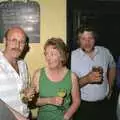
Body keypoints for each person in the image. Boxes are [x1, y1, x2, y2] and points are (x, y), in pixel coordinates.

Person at [71, 25, 116, 120]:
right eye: (83, 38)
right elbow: (70, 86)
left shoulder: (105, 52)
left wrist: (110, 87)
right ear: (78, 40)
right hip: (83, 106)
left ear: (95, 38)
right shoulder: (72, 57)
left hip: (104, 104)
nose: (87, 42)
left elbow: (112, 66)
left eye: (90, 38)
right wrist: (87, 79)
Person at [32, 38, 80, 120]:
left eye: (52, 54)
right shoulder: (39, 74)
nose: (48, 58)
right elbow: (33, 102)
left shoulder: (72, 76)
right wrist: (50, 100)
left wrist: (67, 115)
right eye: (46, 54)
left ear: (62, 56)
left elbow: (77, 101)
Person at [0, 26, 35, 120]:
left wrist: (27, 94)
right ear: (5, 41)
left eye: (22, 42)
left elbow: (23, 96)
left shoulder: (23, 64)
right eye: (13, 40)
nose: (17, 45)